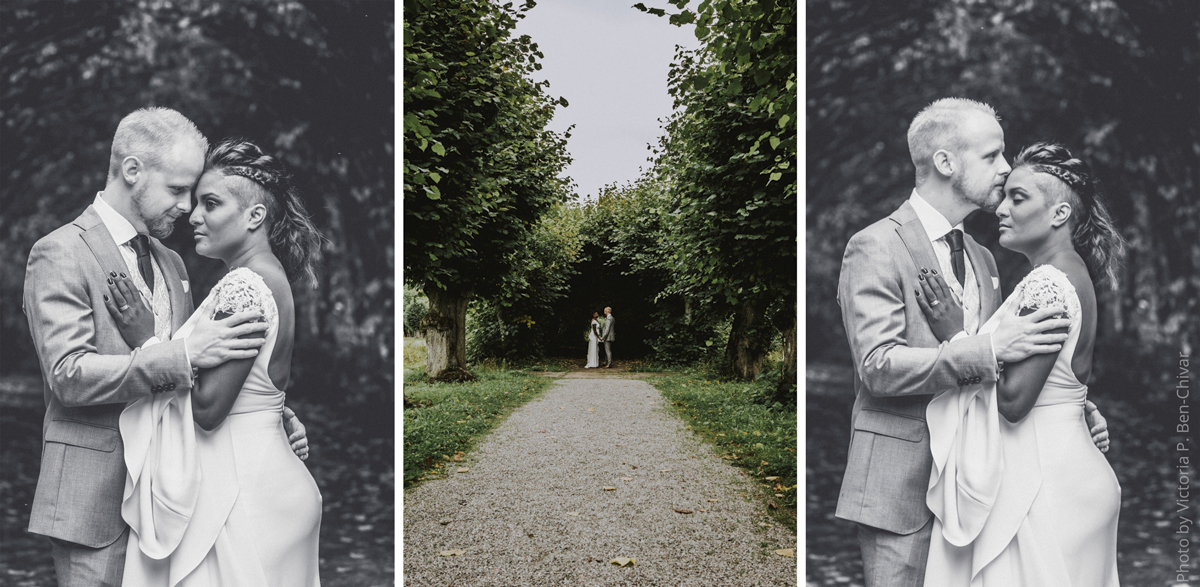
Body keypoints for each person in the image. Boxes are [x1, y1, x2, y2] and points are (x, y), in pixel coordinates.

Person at [21, 107, 308, 587]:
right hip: (94, 501)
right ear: (132, 171)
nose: (186, 208)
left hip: (171, 500)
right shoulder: (60, 252)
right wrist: (177, 356)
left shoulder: (173, 261)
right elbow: (68, 375)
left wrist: (274, 411)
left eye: (197, 196)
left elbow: (214, 363)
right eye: (177, 191)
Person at [835, 97, 1110, 587]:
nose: (1004, 170)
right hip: (902, 488)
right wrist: (981, 352)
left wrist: (1072, 404)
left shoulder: (985, 258)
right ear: (945, 162)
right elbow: (877, 366)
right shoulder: (875, 244)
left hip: (979, 486)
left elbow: (1022, 365)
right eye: (992, 156)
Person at [109, 137, 325, 586]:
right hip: (270, 481)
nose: (194, 215)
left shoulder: (243, 286)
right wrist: (282, 413)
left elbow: (208, 410)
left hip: (242, 496)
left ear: (254, 216)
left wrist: (148, 342)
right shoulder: (270, 277)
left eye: (211, 203)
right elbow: (260, 388)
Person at [919, 141, 1123, 585]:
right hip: (1073, 473)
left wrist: (958, 335)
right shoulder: (1073, 274)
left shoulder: (1048, 284)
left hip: (1044, 488)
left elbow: (1014, 401)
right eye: (1005, 195)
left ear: (1059, 215)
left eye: (1019, 198)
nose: (1001, 209)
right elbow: (1064, 383)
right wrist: (1084, 409)